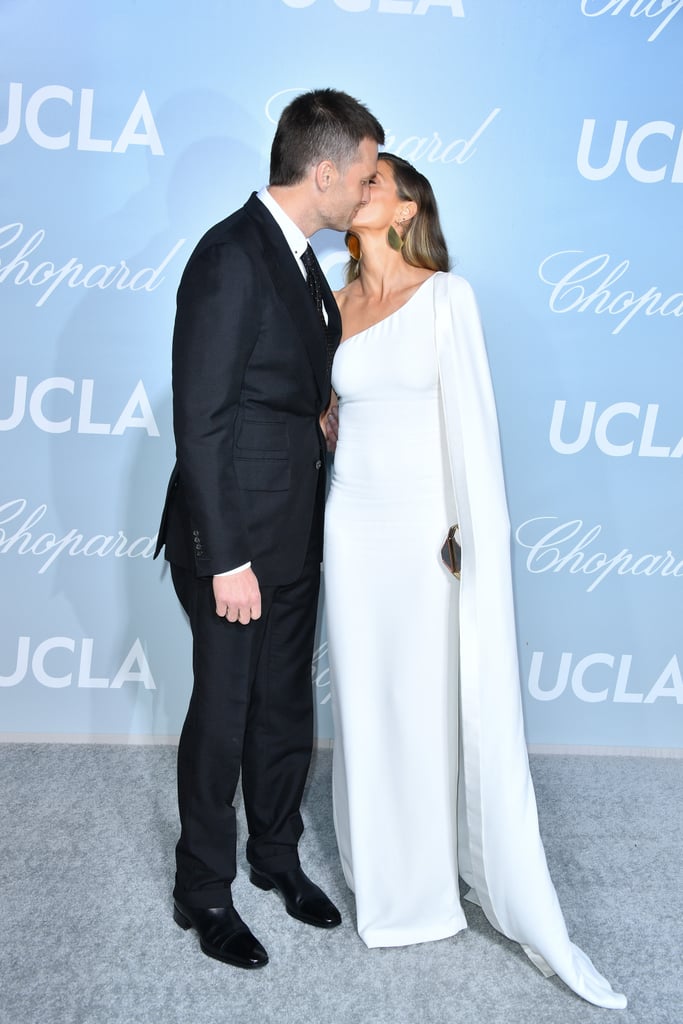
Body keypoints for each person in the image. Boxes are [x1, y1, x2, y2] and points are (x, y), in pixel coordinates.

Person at [323, 153, 627, 1009]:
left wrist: (470, 537)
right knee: (364, 701)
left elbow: (474, 430)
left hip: (425, 530)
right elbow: (337, 409)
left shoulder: (445, 298)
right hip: (349, 526)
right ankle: (383, 883)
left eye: (373, 179)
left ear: (406, 204)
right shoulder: (333, 302)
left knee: (423, 701)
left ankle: (430, 887)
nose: (357, 186)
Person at [154, 89, 384, 970]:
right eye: (361, 176)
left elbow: (277, 387)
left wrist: (316, 418)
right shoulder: (230, 256)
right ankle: (202, 889)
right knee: (225, 711)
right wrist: (227, 559)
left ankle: (275, 858)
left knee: (285, 705)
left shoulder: (300, 263)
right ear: (321, 170)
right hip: (234, 544)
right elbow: (201, 423)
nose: (366, 192)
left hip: (296, 530)